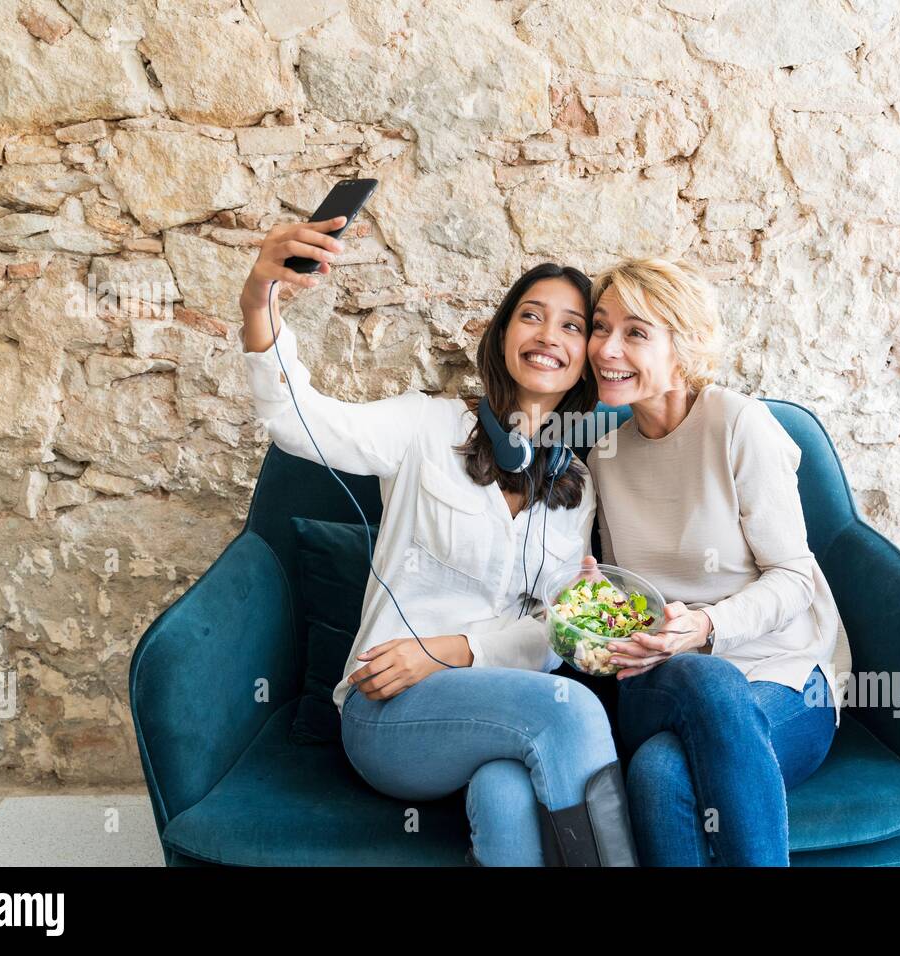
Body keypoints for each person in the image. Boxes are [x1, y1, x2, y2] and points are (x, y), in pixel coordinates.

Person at [238, 212, 637, 866]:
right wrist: (261, 294)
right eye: (532, 316)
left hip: (490, 709)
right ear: (504, 334)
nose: (550, 335)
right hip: (390, 708)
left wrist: (452, 650)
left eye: (572, 325)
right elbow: (294, 419)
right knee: (575, 714)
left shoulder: (575, 485)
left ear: (585, 361)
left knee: (506, 793)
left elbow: (551, 638)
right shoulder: (424, 428)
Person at [580, 256, 854, 866]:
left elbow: (794, 579)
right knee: (705, 675)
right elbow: (634, 597)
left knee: (659, 773)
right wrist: (605, 602)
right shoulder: (605, 453)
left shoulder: (738, 425)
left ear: (684, 345)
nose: (606, 348)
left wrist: (706, 627)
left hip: (780, 675)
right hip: (661, 680)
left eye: (636, 332)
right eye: (600, 327)